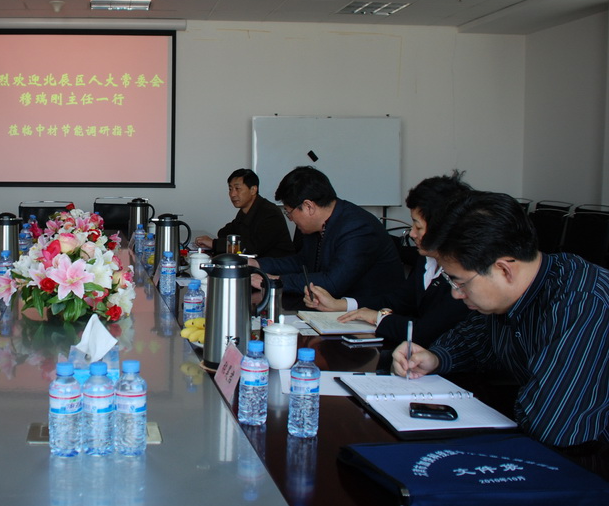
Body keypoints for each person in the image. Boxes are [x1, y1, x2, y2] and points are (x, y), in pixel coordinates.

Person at [393, 191, 609, 448]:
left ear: (505, 269)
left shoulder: (581, 303)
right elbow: (474, 340)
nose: (455, 293)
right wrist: (436, 357)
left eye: (459, 282)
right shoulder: (511, 295)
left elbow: (555, 427)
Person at [304, 171, 472, 346]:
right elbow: (398, 301)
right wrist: (339, 304)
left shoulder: (462, 276)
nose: (412, 234)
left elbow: (426, 331)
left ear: (443, 227)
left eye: (418, 226)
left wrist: (379, 318)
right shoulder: (427, 259)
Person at [253, 166, 405, 301]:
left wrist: (275, 281)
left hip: (370, 312)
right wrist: (257, 264)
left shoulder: (357, 227)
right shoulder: (318, 225)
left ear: (308, 207)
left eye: (289, 212)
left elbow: (332, 283)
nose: (290, 219)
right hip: (330, 308)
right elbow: (301, 263)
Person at [193, 168, 293, 259]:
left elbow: (252, 248)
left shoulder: (270, 213)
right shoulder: (245, 210)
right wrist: (215, 243)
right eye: (230, 189)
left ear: (253, 190)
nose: (232, 194)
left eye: (237, 189)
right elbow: (224, 232)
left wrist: (214, 244)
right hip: (255, 264)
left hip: (275, 268)